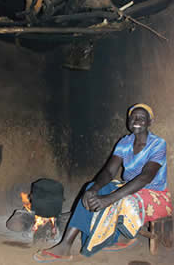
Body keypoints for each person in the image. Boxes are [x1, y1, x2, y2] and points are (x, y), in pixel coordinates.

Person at [34, 103, 173, 262]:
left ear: (150, 122)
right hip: (129, 187)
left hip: (153, 193)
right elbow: (108, 172)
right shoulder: (124, 143)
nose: (136, 120)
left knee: (122, 200)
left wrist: (109, 199)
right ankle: (65, 245)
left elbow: (146, 177)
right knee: (90, 189)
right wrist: (95, 189)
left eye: (142, 118)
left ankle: (116, 237)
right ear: (128, 121)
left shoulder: (158, 144)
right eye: (133, 117)